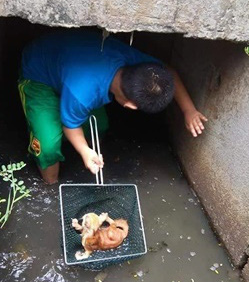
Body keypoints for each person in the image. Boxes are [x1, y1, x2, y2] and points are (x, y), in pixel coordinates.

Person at [19, 30, 207, 184]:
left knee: (99, 125)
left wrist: (188, 110)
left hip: (72, 63)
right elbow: (70, 125)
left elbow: (168, 74)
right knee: (49, 146)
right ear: (131, 106)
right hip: (38, 73)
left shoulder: (135, 63)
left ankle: (95, 158)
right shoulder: (83, 94)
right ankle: (51, 183)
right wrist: (84, 151)